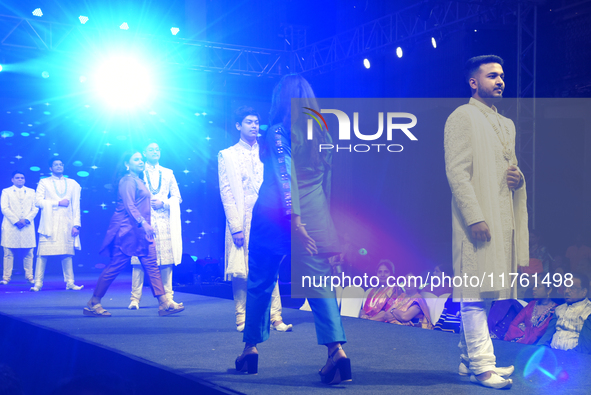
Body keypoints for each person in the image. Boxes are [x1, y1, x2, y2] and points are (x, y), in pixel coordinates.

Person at [235, 75, 351, 384]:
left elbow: (284, 175)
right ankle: (336, 352)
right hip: (313, 218)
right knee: (320, 285)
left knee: (261, 281)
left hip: (275, 216)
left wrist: (294, 219)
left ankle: (251, 349)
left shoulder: (276, 130)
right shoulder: (322, 130)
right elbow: (328, 184)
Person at [444, 55, 529, 389]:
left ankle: (468, 359)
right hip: (477, 219)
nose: (500, 80)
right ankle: (483, 365)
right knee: (473, 294)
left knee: (490, 291)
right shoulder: (461, 117)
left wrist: (518, 179)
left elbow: (511, 169)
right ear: (473, 82)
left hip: (503, 216)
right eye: (492, 75)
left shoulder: (506, 124)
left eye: (503, 75)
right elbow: (457, 172)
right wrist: (474, 216)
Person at [84, 151, 184, 317]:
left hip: (140, 232)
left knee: (152, 266)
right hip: (127, 232)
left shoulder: (139, 180)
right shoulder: (127, 181)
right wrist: (144, 223)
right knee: (114, 267)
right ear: (126, 164)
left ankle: (164, 303)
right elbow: (130, 206)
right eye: (136, 159)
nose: (141, 162)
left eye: (141, 159)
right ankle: (94, 302)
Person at [218, 106, 291, 332]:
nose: (254, 126)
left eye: (256, 122)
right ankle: (242, 316)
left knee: (271, 265)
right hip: (242, 217)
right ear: (239, 125)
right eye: (248, 122)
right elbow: (227, 192)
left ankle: (275, 316)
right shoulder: (226, 155)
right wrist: (236, 227)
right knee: (241, 269)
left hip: (267, 217)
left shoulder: (268, 151)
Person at [128, 142, 182, 309]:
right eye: (151, 149)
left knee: (166, 261)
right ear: (144, 153)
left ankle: (169, 298)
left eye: (157, 149)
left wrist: (164, 203)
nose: (155, 152)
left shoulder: (168, 173)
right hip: (143, 221)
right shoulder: (138, 173)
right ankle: (134, 299)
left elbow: (177, 197)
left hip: (164, 220)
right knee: (139, 261)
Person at [31, 159, 83, 292]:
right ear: (50, 168)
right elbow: (37, 201)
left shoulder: (72, 183)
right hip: (49, 222)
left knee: (67, 253)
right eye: (56, 165)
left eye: (61, 164)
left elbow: (76, 206)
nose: (59, 166)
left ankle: (70, 282)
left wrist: (76, 224)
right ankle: (38, 283)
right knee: (43, 254)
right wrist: (58, 203)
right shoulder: (44, 182)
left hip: (67, 222)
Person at [537, 272, 591, 353]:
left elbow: (584, 347)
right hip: (552, 354)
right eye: (565, 287)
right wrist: (539, 349)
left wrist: (566, 356)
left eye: (572, 288)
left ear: (584, 292)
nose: (566, 291)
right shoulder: (559, 309)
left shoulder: (588, 311)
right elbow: (547, 336)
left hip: (575, 358)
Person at [1, 171, 39, 285]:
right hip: (11, 225)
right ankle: (6, 277)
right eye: (17, 178)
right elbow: (4, 208)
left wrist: (26, 219)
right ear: (12, 179)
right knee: (8, 253)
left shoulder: (32, 191)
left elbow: (35, 208)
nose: (20, 179)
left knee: (29, 253)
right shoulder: (6, 191)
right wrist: (16, 221)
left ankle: (30, 277)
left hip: (27, 225)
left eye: (22, 178)